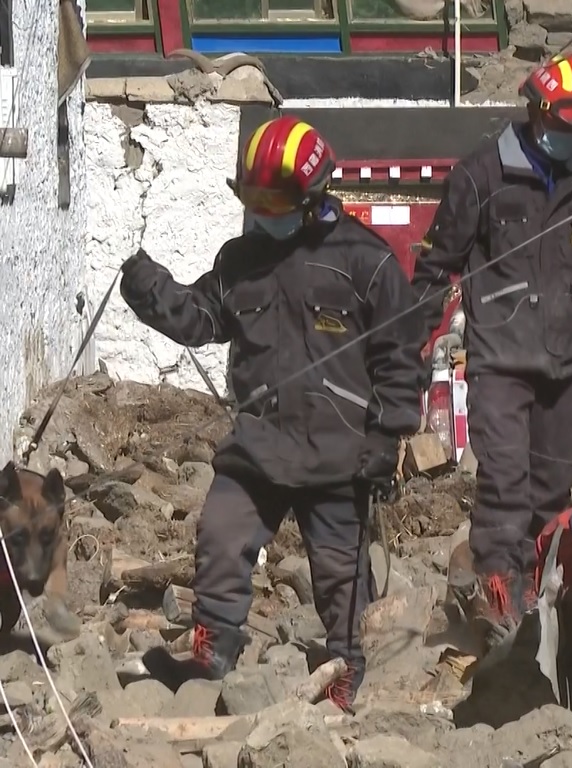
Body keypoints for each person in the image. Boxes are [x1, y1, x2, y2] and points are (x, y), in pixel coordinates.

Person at [119, 115, 423, 711]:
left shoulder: (366, 261)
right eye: (251, 199)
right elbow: (200, 319)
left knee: (340, 574)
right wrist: (150, 290)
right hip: (257, 448)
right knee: (220, 537)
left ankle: (347, 674)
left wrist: (386, 438)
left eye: (274, 201)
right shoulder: (239, 260)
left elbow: (401, 355)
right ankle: (210, 655)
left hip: (338, 454)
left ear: (314, 196)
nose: (263, 212)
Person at [410, 52, 572, 643]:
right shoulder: (479, 177)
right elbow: (436, 267)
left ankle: (537, 602)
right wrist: (410, 344)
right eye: (569, 123)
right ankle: (498, 597)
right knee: (505, 485)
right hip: (501, 364)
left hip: (567, 368)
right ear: (538, 112)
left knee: (553, 492)